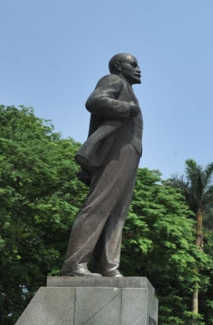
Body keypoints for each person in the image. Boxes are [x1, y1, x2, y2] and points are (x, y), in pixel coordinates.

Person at [61, 53, 143, 277]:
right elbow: (95, 101)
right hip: (116, 151)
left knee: (117, 213)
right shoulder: (113, 80)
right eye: (133, 64)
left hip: (129, 152)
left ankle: (109, 266)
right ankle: (74, 264)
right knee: (99, 205)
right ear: (119, 66)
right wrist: (127, 108)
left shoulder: (127, 87)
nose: (139, 69)